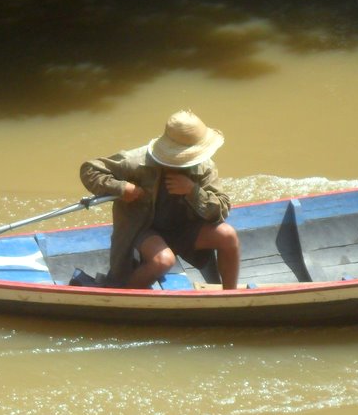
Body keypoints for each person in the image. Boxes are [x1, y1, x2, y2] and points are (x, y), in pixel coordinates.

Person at [80, 110, 240, 290]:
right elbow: (89, 170)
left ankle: (229, 295)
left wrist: (192, 191)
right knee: (163, 261)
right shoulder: (137, 161)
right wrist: (122, 188)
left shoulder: (205, 166)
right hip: (142, 229)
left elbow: (222, 209)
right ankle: (124, 296)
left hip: (182, 229)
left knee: (228, 236)